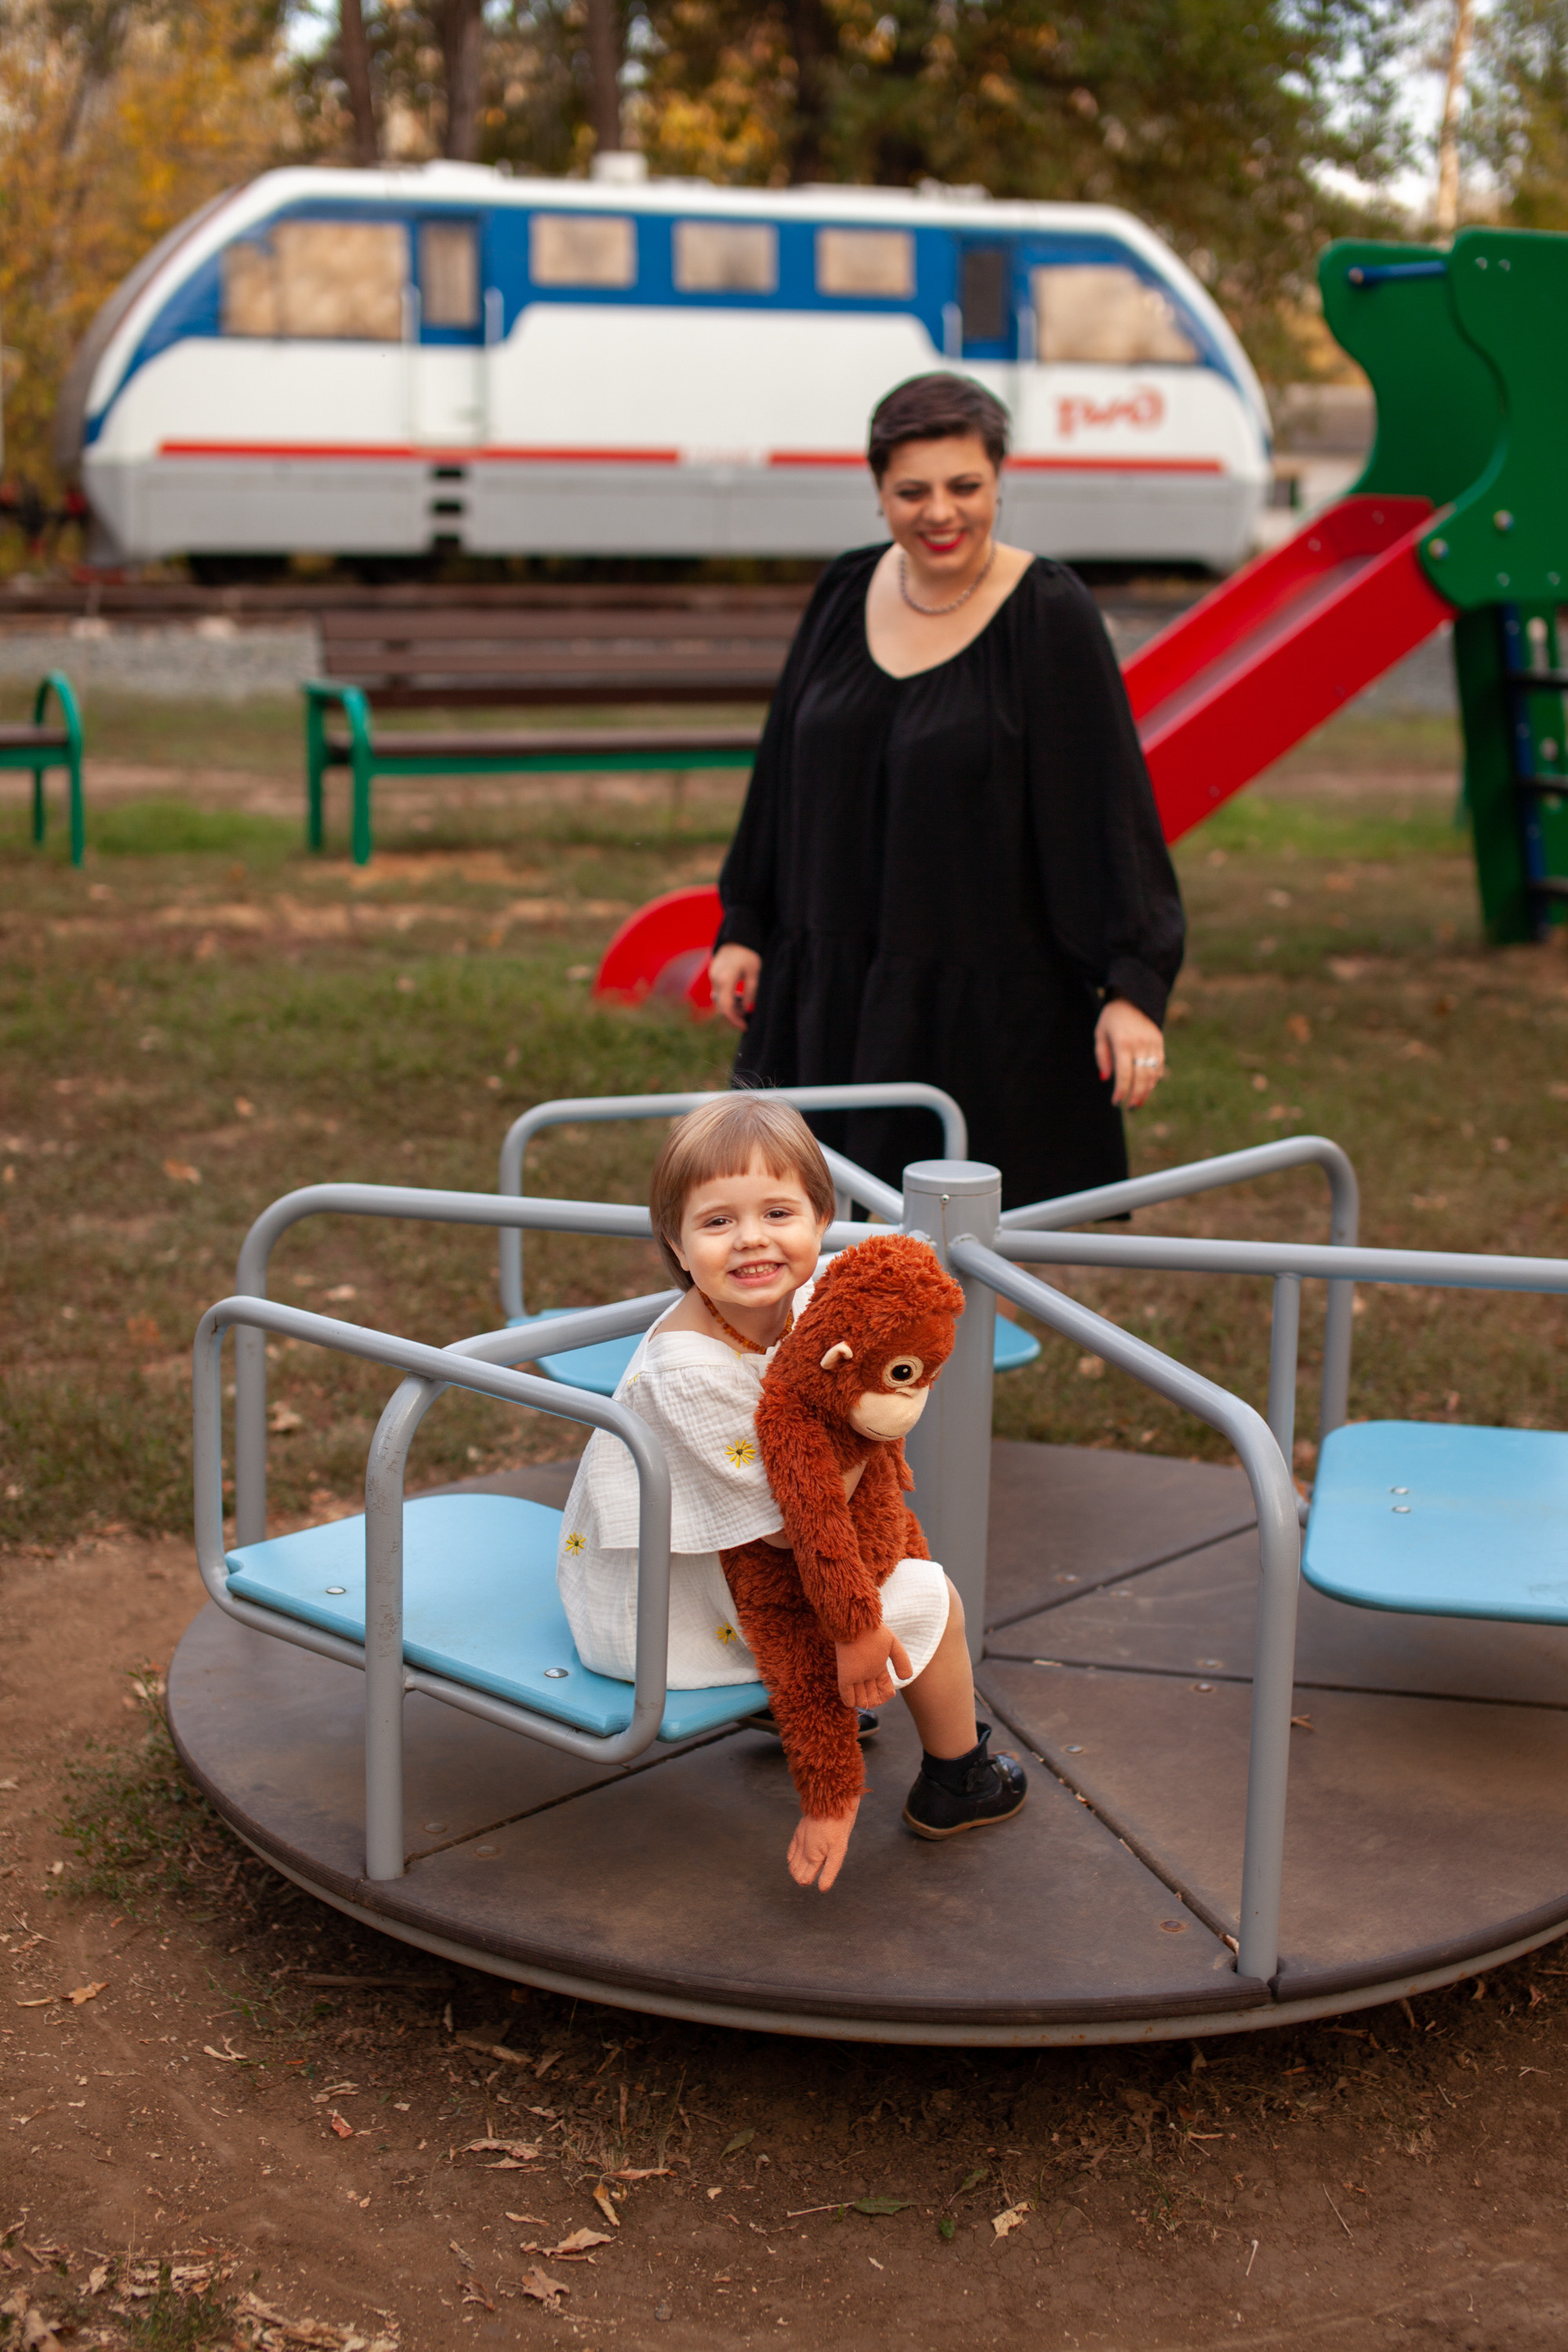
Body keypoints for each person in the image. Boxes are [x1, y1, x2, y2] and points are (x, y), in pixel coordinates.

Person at [707, 371, 1184, 1211]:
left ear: (999, 481)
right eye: (911, 491)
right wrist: (744, 922)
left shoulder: (1048, 611)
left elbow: (1104, 806)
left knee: (943, 1266)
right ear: (877, 493)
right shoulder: (841, 591)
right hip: (827, 984)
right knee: (799, 1234)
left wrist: (1131, 985)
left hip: (976, 1003)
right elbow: (782, 766)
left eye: (964, 487)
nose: (940, 513)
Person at [555, 1094, 1026, 1891]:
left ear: (822, 1218)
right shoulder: (686, 1372)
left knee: (886, 1539)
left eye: (777, 1211)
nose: (751, 1240)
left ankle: (816, 1704)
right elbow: (783, 1531)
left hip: (710, 1574)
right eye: (716, 1223)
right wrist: (871, 1419)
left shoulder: (803, 1307)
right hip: (660, 1621)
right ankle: (957, 1781)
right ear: (675, 1243)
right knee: (932, 1596)